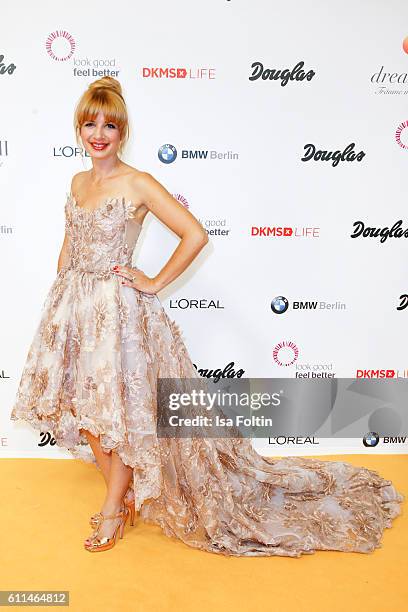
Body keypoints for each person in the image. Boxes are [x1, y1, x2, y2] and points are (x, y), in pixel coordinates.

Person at [10, 77, 404, 556]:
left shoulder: (139, 183)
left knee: (127, 416)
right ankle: (125, 492)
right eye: (90, 123)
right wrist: (61, 300)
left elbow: (194, 235)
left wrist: (152, 282)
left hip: (119, 317)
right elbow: (69, 246)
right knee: (91, 413)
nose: (99, 133)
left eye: (109, 125)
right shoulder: (76, 182)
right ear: (79, 128)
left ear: (122, 131)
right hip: (75, 308)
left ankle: (113, 508)